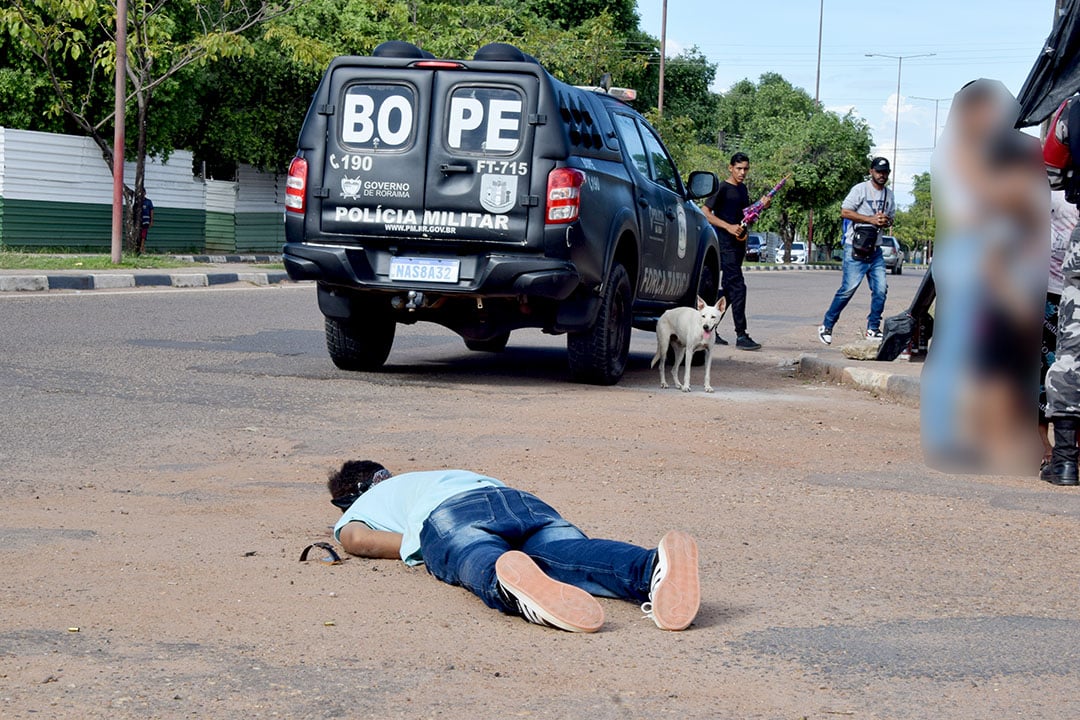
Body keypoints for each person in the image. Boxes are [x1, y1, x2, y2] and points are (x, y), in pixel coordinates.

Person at [325, 460, 701, 632]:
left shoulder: (361, 505)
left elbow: (357, 539)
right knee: (568, 553)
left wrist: (421, 544)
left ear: (348, 498)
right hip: (514, 498)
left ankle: (511, 588)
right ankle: (650, 567)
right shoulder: (428, 476)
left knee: (475, 555)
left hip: (449, 514)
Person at [817, 157, 895, 346]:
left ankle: (873, 328)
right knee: (848, 289)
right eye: (878, 171)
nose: (882, 175)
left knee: (881, 289)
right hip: (855, 248)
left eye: (885, 172)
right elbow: (845, 212)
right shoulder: (860, 189)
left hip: (875, 249)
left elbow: (892, 219)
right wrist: (870, 220)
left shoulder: (889, 195)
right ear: (871, 171)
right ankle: (827, 325)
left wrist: (886, 221)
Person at [701, 152, 770, 350]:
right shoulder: (721, 188)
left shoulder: (742, 189)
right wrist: (728, 227)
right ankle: (741, 335)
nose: (742, 172)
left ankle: (706, 327)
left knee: (730, 291)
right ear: (730, 167)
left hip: (739, 246)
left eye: (745, 169)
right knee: (739, 287)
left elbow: (746, 216)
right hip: (725, 245)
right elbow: (706, 213)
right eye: (739, 168)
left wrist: (762, 206)